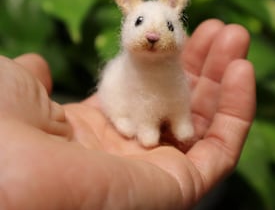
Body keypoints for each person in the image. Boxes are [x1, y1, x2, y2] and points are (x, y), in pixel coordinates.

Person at [0, 19, 255, 210]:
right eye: (141, 22)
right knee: (141, 104)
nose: (153, 35)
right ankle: (134, 122)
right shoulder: (126, 71)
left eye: (166, 25)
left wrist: (181, 121)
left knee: (177, 98)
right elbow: (140, 102)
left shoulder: (176, 71)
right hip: (124, 106)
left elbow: (179, 99)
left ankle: (177, 123)